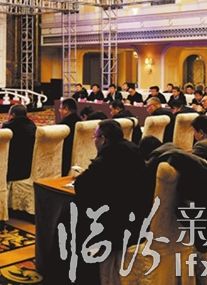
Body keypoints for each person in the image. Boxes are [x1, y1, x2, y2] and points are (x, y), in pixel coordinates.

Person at [72, 119, 151, 283]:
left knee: (72, 214)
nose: (94, 141)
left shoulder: (108, 155)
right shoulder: (132, 148)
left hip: (117, 224)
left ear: (103, 139)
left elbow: (82, 186)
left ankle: (82, 274)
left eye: (95, 137)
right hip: (140, 218)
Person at [2, 104, 37, 181]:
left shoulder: (8, 126)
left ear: (13, 115)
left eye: (9, 114)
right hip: (29, 165)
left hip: (13, 166)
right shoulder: (32, 125)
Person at [58, 98, 82, 176]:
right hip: (80, 158)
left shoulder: (63, 126)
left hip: (65, 159)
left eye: (60, 109)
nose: (59, 111)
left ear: (66, 109)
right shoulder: (81, 122)